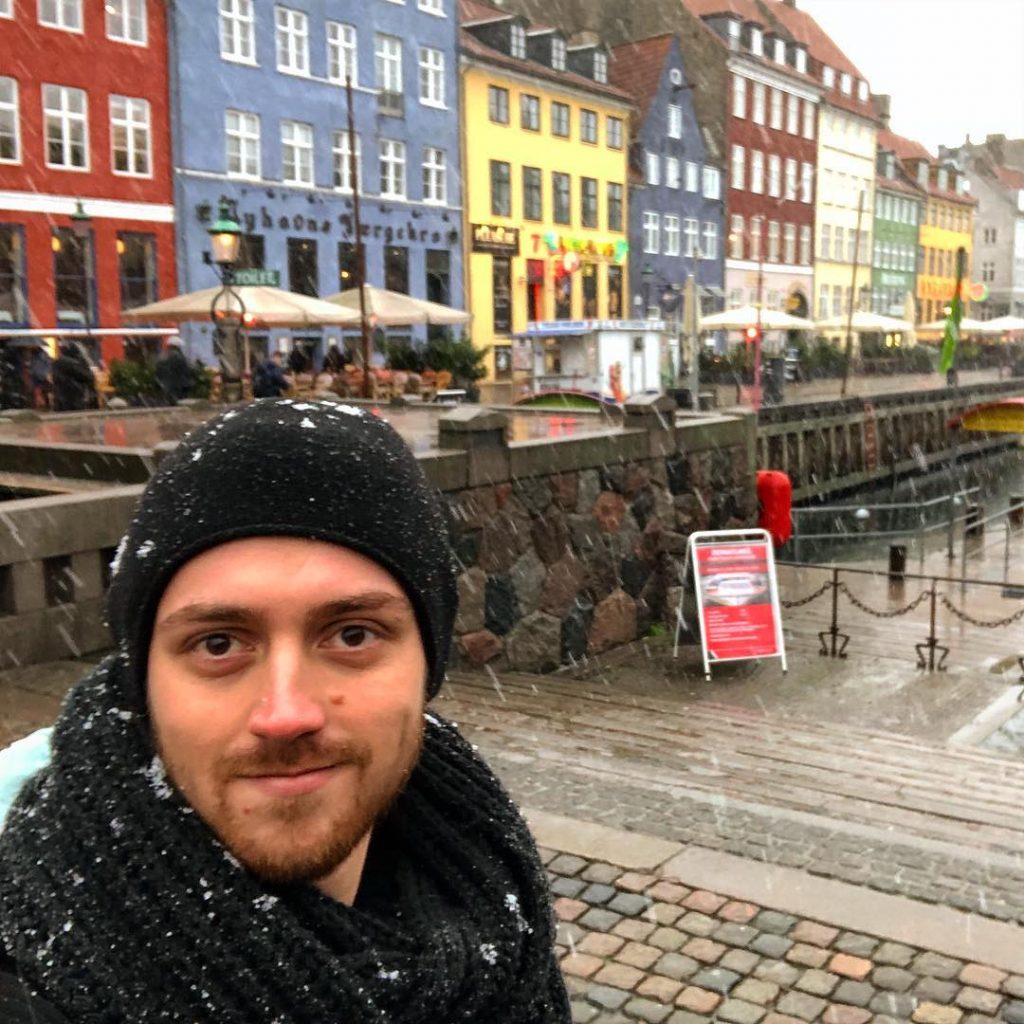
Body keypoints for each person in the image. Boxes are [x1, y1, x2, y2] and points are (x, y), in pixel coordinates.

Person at [0, 400, 568, 1022]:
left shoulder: (488, 882)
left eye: (352, 635)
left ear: (426, 668)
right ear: (142, 685)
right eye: (218, 644)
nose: (286, 713)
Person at [51, 342, 96, 412]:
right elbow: (87, 376)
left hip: (60, 396)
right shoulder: (72, 363)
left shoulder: (57, 361)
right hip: (74, 396)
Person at [153, 336, 194, 405]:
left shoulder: (162, 356)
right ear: (177, 346)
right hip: (177, 387)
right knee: (178, 405)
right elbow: (185, 371)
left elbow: (157, 372)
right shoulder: (179, 357)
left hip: (165, 387)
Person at [29, 345, 52, 411]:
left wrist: (45, 372)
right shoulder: (34, 356)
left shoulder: (43, 356)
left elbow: (48, 365)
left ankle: (43, 405)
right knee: (38, 391)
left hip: (41, 375)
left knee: (42, 391)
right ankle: (40, 404)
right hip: (36, 375)